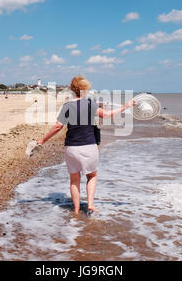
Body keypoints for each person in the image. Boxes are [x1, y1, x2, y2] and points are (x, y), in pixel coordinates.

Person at [37, 75, 135, 216]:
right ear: (85, 89)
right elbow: (106, 115)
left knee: (74, 180)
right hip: (89, 146)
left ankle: (76, 210)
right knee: (92, 176)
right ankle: (90, 205)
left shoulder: (67, 105)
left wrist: (43, 140)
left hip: (71, 147)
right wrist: (126, 106)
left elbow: (58, 126)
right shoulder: (90, 103)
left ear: (73, 89)